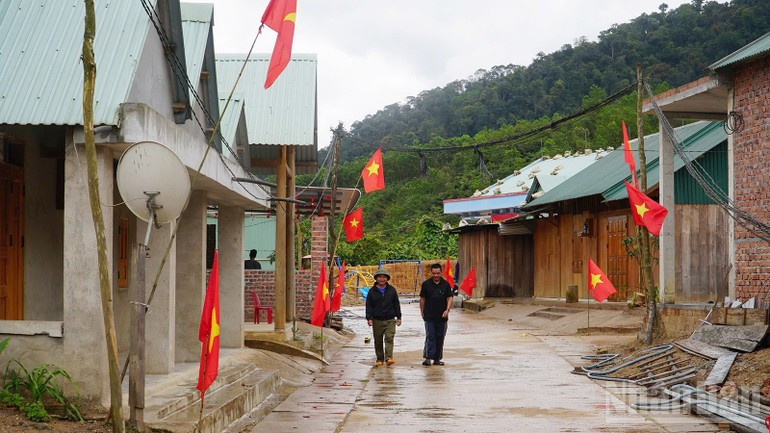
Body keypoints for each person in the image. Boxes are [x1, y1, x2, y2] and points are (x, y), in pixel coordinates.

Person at [365, 268, 402, 367]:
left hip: (390, 319)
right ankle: (379, 359)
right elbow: (369, 305)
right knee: (378, 340)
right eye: (380, 277)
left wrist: (399, 317)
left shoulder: (392, 290)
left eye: (384, 277)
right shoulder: (372, 292)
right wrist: (369, 318)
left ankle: (389, 358)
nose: (382, 279)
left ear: (387, 279)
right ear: (376, 279)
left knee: (389, 338)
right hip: (377, 320)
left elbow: (396, 304)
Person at [420, 263, 454, 366]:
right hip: (429, 315)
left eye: (438, 273)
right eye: (434, 273)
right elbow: (422, 299)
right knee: (430, 336)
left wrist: (447, 309)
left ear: (441, 272)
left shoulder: (446, 285)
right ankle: (428, 358)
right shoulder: (426, 284)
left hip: (442, 316)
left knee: (440, 337)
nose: (436, 275)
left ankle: (437, 359)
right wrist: (422, 312)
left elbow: (449, 298)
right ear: (431, 273)